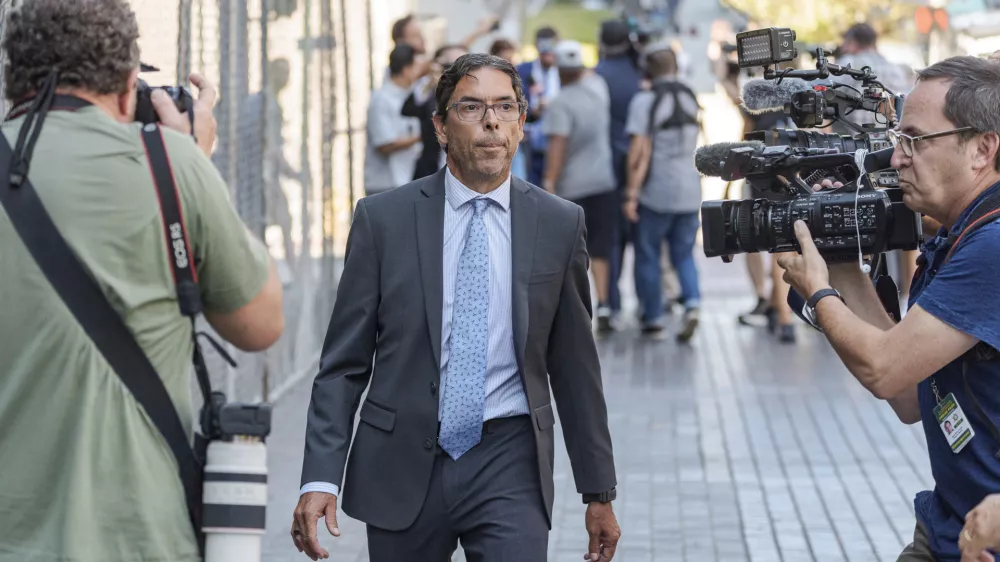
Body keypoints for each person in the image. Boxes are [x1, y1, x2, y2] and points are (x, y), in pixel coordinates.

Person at [291, 53, 620, 562]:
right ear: (441, 127)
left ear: (522, 123)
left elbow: (576, 368)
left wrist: (598, 493)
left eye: (505, 107)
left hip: (509, 458)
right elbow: (342, 365)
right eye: (471, 107)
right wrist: (319, 477)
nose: (492, 121)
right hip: (403, 460)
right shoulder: (384, 221)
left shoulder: (559, 224)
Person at [0, 1, 285, 560]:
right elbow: (260, 322)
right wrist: (198, 164)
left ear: (14, 81)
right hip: (138, 537)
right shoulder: (171, 165)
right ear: (131, 87)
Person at [776, 56, 1000, 562]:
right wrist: (839, 265)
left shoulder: (991, 248)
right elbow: (905, 394)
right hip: (949, 524)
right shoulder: (956, 236)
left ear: (982, 149)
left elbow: (882, 369)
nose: (897, 158)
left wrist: (817, 292)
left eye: (915, 141)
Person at [623, 44, 702, 341]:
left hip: (656, 190)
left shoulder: (645, 101)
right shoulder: (690, 95)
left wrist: (631, 193)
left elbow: (638, 153)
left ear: (647, 71)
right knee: (684, 254)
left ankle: (653, 317)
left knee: (647, 254)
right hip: (690, 188)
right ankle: (692, 304)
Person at [542, 40, 618, 333]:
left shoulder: (560, 103)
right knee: (600, 246)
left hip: (573, 187)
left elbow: (557, 145)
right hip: (604, 181)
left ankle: (575, 307)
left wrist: (549, 182)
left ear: (560, 71)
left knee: (572, 250)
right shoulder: (598, 92)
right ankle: (605, 304)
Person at [595, 18, 643, 328]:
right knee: (644, 238)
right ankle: (649, 305)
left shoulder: (597, 77)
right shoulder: (641, 73)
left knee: (609, 238)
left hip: (608, 165)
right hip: (641, 165)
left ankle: (610, 302)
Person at [364, 44, 423, 195]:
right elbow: (385, 145)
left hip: (405, 181)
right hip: (384, 185)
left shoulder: (410, 94)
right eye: (416, 67)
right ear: (406, 70)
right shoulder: (381, 99)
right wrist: (422, 137)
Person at [403, 44, 468, 181]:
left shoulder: (479, 93)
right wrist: (432, 84)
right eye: (449, 65)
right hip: (431, 171)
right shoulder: (428, 88)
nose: (455, 71)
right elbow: (408, 109)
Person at [517, 26, 561, 186]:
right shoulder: (523, 70)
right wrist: (531, 110)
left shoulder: (564, 72)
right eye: (544, 50)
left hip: (557, 139)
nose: (548, 55)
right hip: (530, 140)